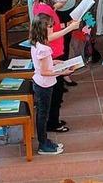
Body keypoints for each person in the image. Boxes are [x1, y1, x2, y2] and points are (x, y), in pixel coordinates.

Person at [32, 0, 81, 132]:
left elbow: (54, 25)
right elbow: (48, 36)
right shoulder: (43, 9)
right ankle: (52, 123)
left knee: (57, 89)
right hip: (52, 52)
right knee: (56, 90)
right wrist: (70, 28)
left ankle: (53, 119)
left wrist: (63, 16)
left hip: (55, 50)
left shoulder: (44, 5)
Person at [30, 13, 75, 155]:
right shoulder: (44, 49)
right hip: (44, 84)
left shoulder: (37, 43)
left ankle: (44, 140)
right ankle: (43, 144)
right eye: (50, 27)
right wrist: (62, 72)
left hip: (42, 82)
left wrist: (56, 62)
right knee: (43, 115)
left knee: (43, 113)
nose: (52, 29)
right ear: (43, 29)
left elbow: (44, 64)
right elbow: (44, 72)